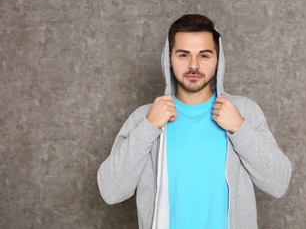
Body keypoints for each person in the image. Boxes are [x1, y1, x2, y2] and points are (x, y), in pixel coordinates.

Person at [97, 14, 292, 229]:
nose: (193, 66)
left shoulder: (245, 112)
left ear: (218, 60)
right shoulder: (144, 118)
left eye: (204, 56)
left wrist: (239, 128)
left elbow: (278, 183)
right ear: (169, 59)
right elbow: (111, 191)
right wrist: (148, 127)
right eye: (183, 55)